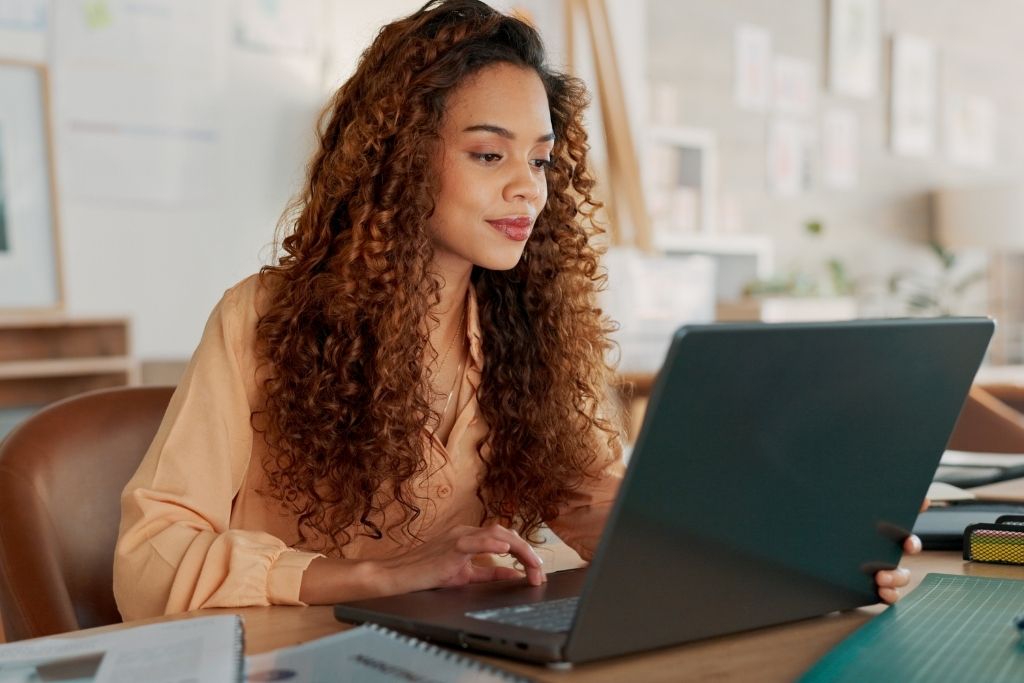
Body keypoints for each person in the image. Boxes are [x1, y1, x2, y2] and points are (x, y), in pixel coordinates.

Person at [113, 0, 916, 620]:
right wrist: (374, 575)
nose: (528, 187)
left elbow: (601, 507)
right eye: (489, 154)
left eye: (540, 159)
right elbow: (149, 558)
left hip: (470, 652)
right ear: (399, 161)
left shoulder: (531, 329)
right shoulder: (263, 317)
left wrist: (785, 552)